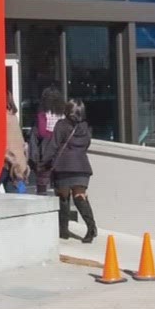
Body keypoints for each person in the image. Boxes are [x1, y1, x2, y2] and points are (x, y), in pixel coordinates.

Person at [49, 98, 97, 243]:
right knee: (80, 197)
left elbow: (54, 145)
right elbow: (87, 144)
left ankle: (63, 230)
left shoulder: (61, 125)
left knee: (63, 197)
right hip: (82, 166)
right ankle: (91, 228)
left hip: (64, 165)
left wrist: (44, 162)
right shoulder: (85, 127)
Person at [28, 87, 66, 197]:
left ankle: (42, 198)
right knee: (59, 182)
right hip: (61, 149)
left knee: (43, 180)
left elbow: (41, 133)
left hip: (45, 149)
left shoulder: (43, 114)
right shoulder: (63, 114)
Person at [0, 96, 30, 194]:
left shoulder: (0, 117)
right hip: (16, 161)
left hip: (5, 160)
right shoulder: (12, 116)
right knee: (16, 193)